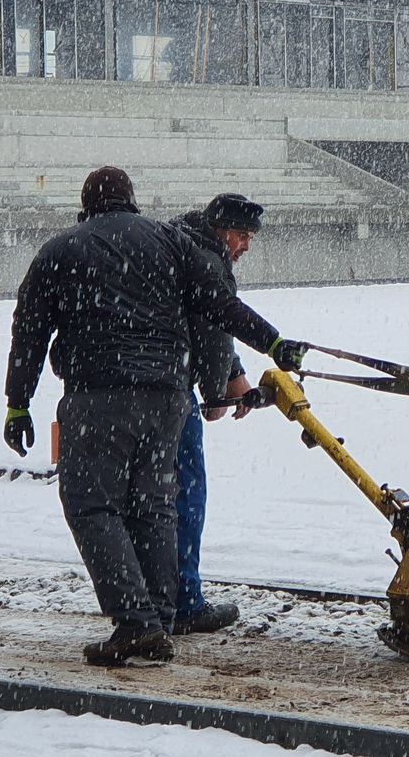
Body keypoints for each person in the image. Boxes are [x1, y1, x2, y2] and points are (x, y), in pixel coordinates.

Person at [2, 167, 308, 667]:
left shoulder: (59, 251)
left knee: (93, 506)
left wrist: (18, 402)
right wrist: (272, 342)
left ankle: (137, 624)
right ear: (132, 200)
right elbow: (218, 303)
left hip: (97, 396)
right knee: (155, 505)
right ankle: (163, 615)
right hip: (167, 396)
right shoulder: (169, 241)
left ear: (86, 203)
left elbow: (29, 332)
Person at [167, 194, 264, 634]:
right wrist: (217, 393)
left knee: (146, 499)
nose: (245, 246)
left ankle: (144, 599)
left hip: (128, 388)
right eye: (242, 236)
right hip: (171, 390)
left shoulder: (177, 242)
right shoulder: (206, 258)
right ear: (223, 230)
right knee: (186, 493)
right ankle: (184, 602)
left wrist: (234, 373)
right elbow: (212, 322)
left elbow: (208, 322)